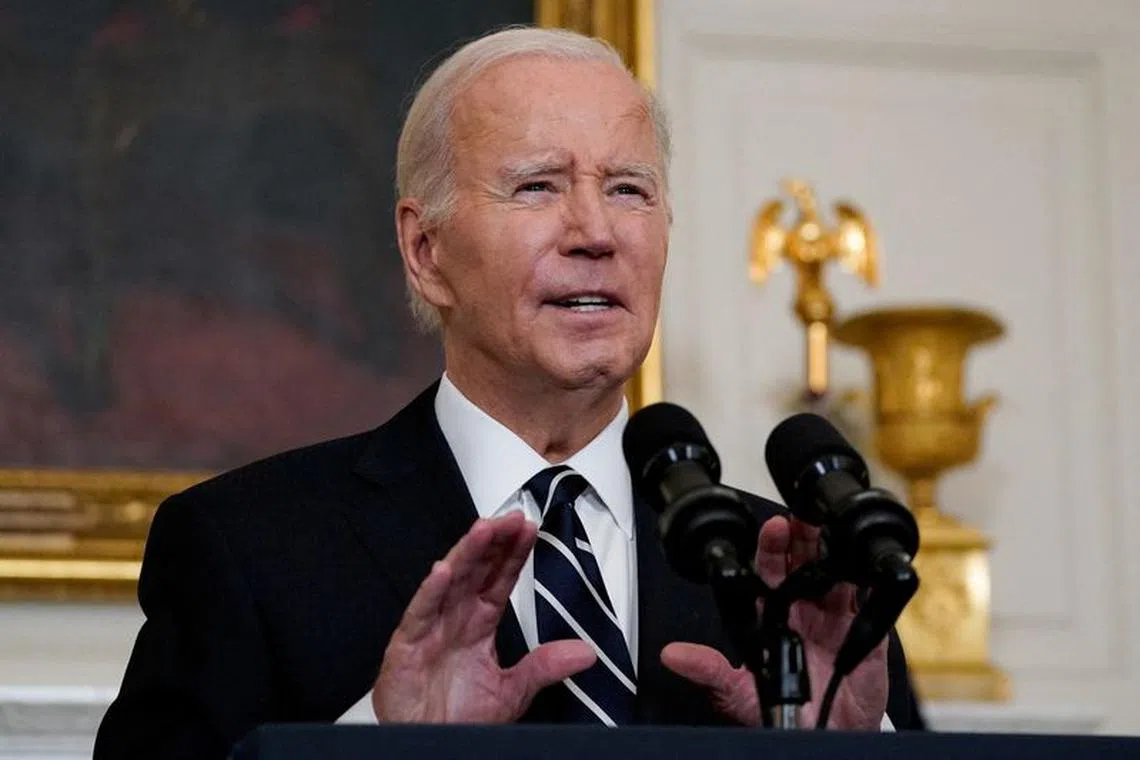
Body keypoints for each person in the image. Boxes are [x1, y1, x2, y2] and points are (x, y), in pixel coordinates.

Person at [93, 25, 923, 759]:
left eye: (629, 188)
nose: (595, 233)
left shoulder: (796, 576)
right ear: (425, 251)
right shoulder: (247, 547)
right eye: (537, 185)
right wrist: (380, 742)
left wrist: (848, 757)